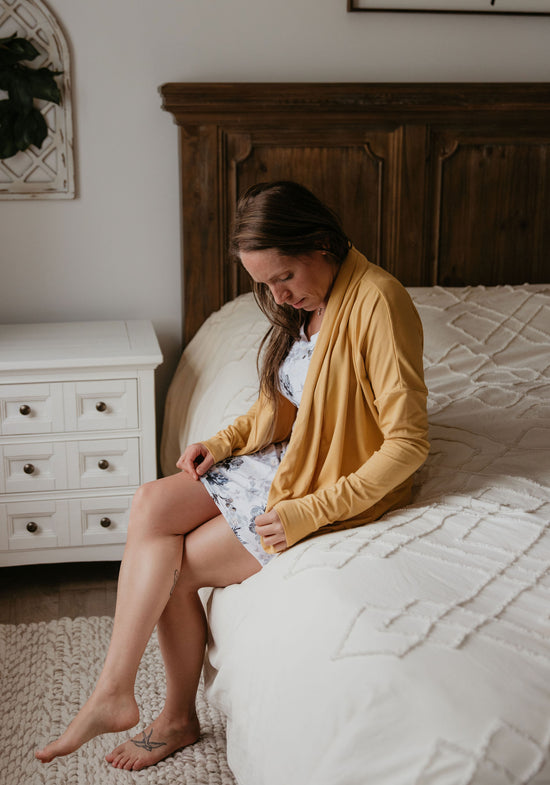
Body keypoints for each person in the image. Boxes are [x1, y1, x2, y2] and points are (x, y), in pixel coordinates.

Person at [35, 181, 429, 771]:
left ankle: (174, 717)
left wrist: (309, 512)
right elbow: (295, 399)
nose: (279, 294)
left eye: (284, 277)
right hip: (294, 452)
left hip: (329, 479)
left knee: (173, 568)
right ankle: (113, 692)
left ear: (321, 245)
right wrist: (222, 443)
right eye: (265, 283)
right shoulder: (314, 298)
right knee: (150, 503)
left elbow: (408, 443)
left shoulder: (378, 301)